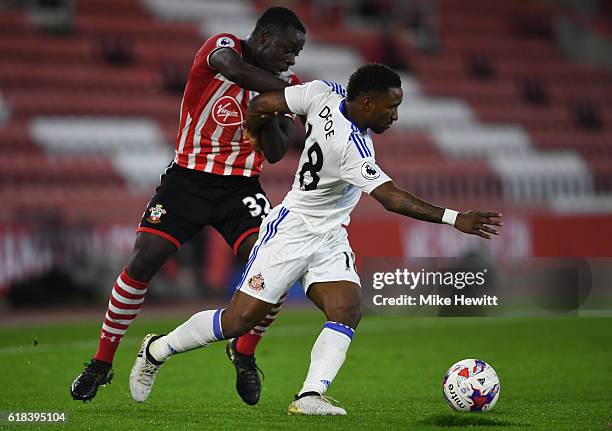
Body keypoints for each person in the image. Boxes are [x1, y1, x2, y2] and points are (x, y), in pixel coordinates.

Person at [127, 63, 503, 415]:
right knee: (237, 322)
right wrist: (456, 219)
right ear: (367, 103)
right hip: (291, 231)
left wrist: (256, 128)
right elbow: (391, 198)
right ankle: (157, 349)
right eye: (392, 107)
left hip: (330, 235)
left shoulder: (324, 92)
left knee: (346, 309)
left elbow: (263, 102)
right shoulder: (349, 147)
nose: (395, 115)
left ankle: (310, 395)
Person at [70, 7, 306, 406]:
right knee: (142, 262)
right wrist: (286, 94)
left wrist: (270, 109)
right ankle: (101, 361)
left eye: (296, 54)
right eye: (288, 49)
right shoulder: (223, 47)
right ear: (264, 39)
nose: (292, 60)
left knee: (277, 268)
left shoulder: (286, 85)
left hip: (241, 188)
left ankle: (244, 352)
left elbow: (279, 152)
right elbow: (233, 69)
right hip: (188, 180)